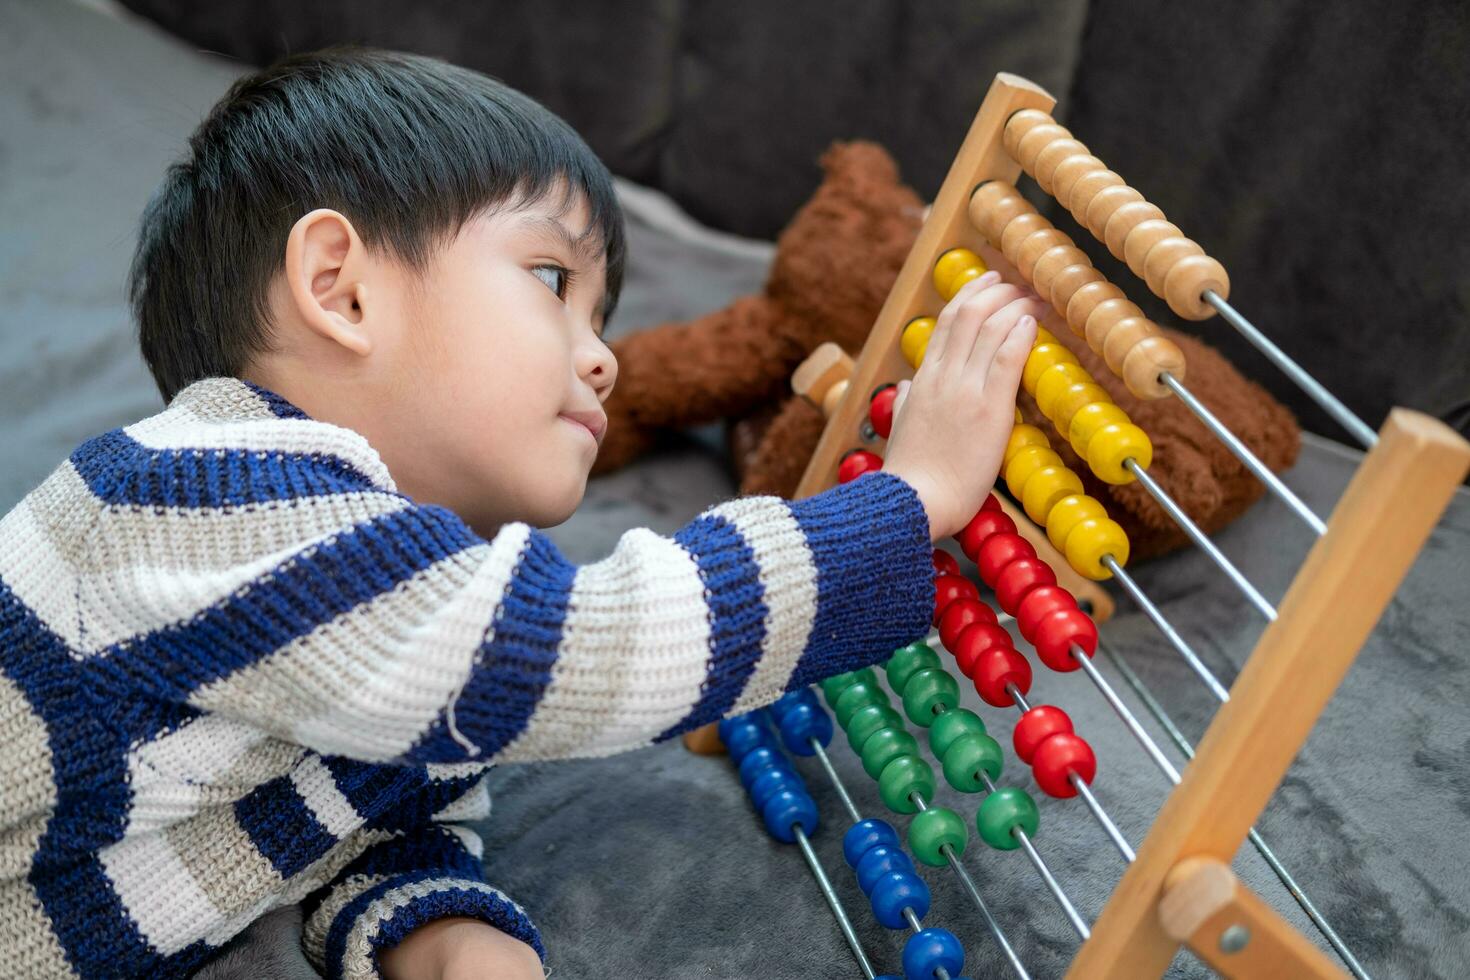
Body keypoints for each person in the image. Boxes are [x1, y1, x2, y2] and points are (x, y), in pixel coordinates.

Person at [0, 47, 1042, 980]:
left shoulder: (398, 623)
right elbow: (547, 654)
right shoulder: (204, 495)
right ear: (341, 290)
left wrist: (444, 929)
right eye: (552, 279)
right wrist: (909, 503)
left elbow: (381, 813)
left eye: (603, 316)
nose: (605, 354)